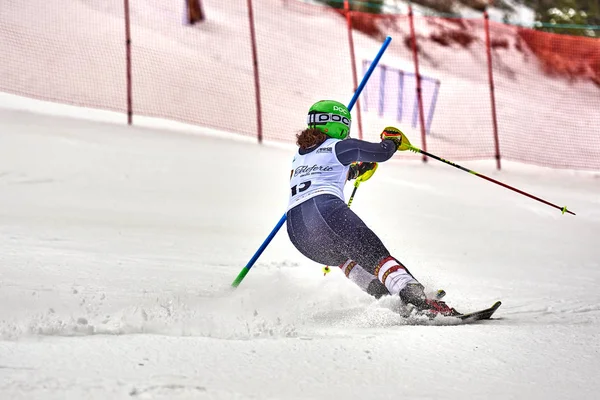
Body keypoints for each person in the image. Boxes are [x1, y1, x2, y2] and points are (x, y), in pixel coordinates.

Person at [286, 99, 457, 317]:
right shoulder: (338, 145)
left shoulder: (299, 156)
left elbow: (322, 173)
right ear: (339, 123)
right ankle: (418, 299)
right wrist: (392, 140)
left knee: (348, 258)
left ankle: (389, 297)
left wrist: (355, 172)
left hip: (297, 231)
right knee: (374, 255)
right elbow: (381, 152)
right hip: (326, 211)